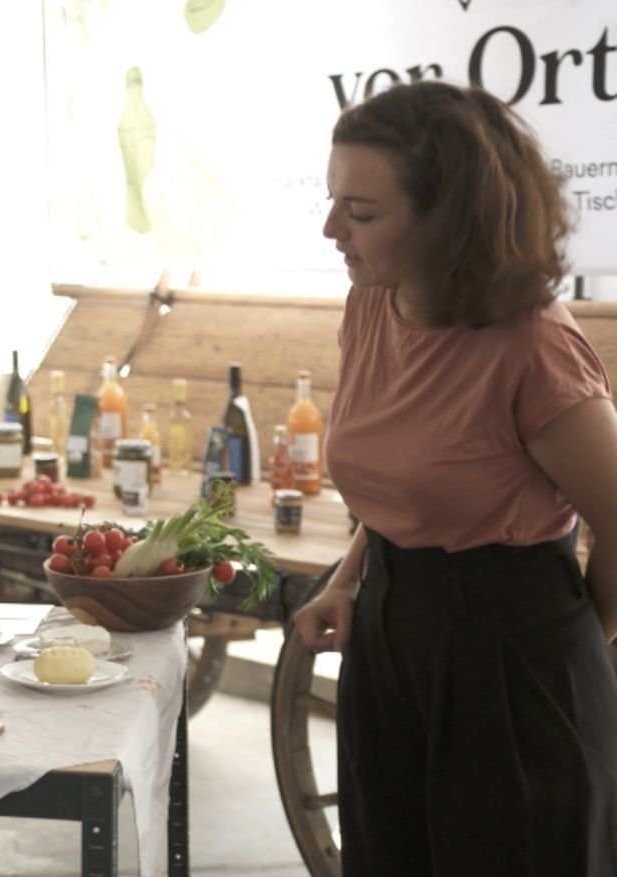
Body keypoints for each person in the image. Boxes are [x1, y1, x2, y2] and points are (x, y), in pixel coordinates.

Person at [293, 80, 617, 875]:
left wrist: (572, 645)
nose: (332, 228)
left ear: (451, 220)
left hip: (512, 651)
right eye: (333, 201)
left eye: (361, 213)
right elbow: (420, 481)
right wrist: (349, 580)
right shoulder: (370, 304)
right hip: (391, 637)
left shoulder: (532, 346)